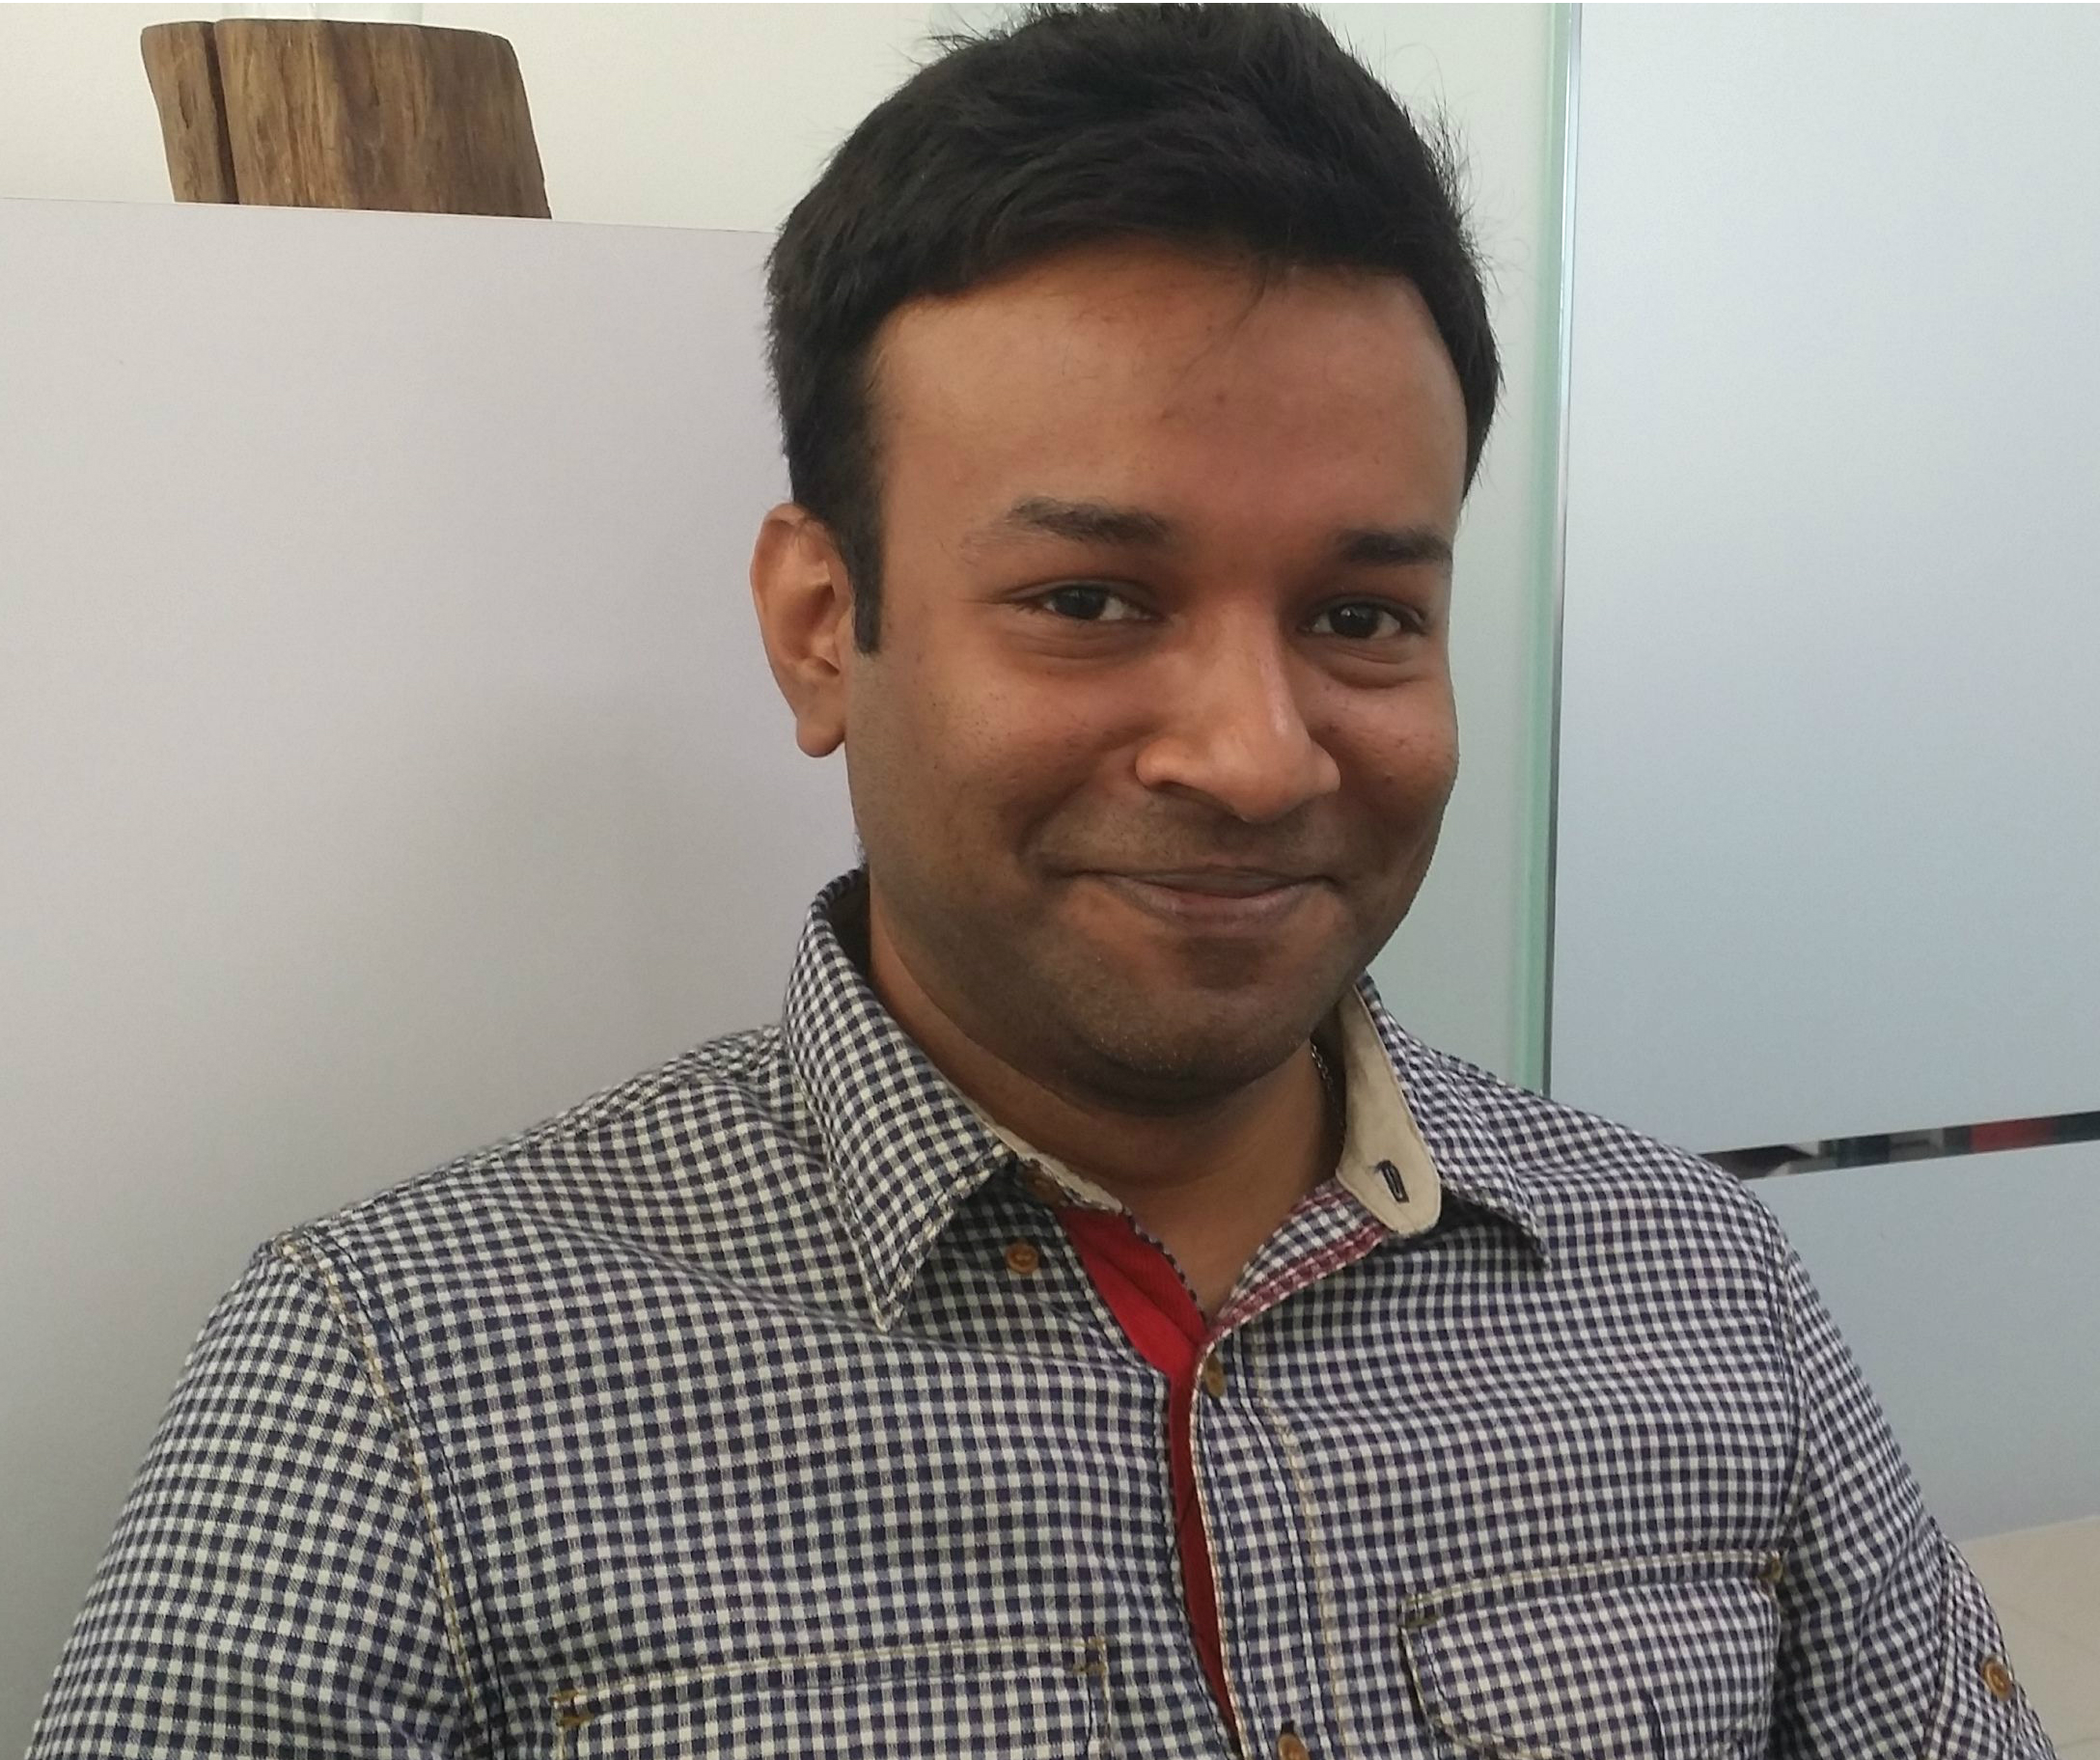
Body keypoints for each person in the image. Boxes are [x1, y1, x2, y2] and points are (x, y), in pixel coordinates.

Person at [27, 7, 2058, 1757]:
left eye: (1360, 615)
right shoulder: (399, 1385)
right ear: (822, 627)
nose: (1256, 755)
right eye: (1090, 598)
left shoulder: (1698, 1289)